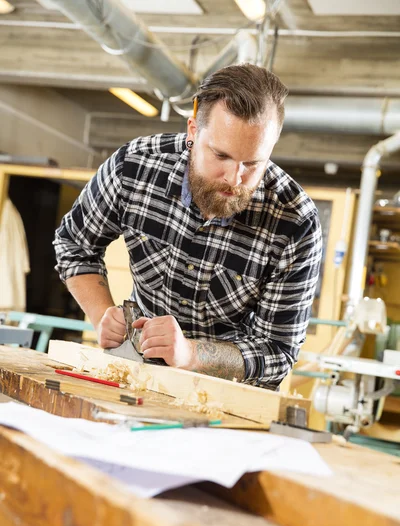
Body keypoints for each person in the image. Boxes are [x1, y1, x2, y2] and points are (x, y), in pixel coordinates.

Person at [54, 63, 322, 390]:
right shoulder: (134, 168)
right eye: (221, 155)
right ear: (193, 130)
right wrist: (102, 315)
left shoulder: (295, 222)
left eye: (253, 163)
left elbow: (277, 352)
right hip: (140, 376)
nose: (235, 179)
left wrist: (191, 355)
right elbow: (75, 245)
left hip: (230, 398)